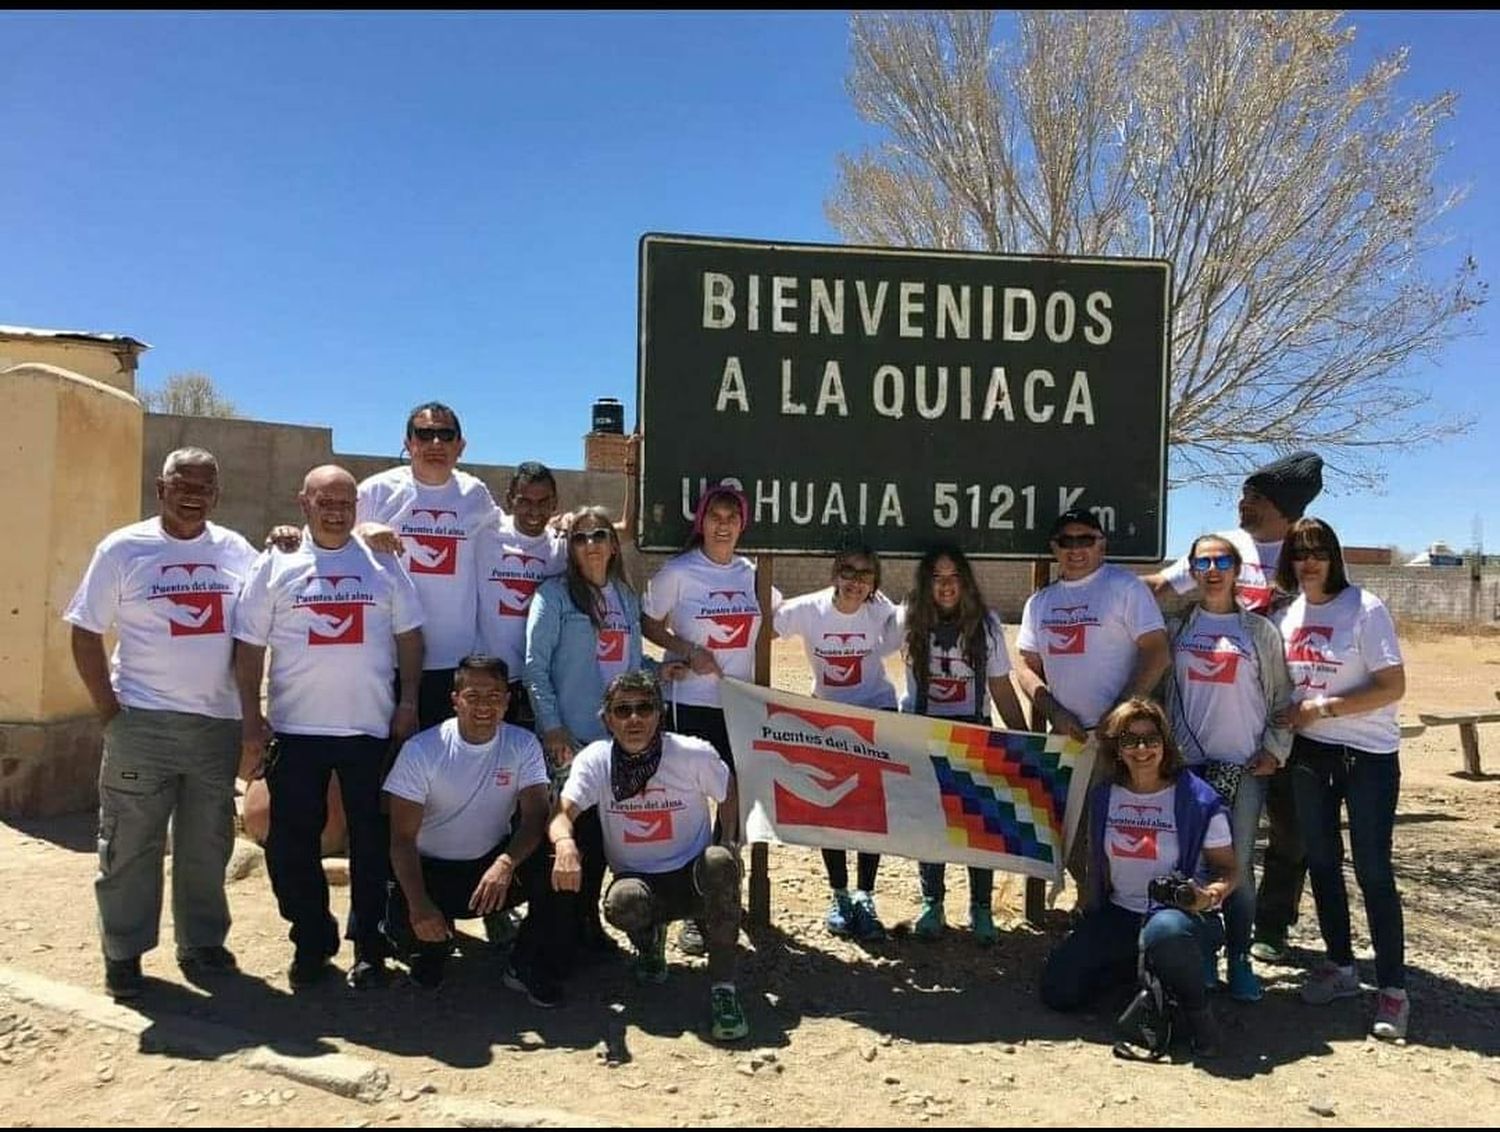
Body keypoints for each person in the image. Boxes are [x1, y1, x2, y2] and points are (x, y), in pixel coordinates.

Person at [64, 447, 259, 998]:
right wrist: (109, 712)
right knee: (130, 844)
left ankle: (201, 943)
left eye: (204, 485)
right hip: (141, 723)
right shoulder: (124, 548)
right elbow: (85, 631)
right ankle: (123, 953)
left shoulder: (235, 551)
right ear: (161, 487)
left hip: (214, 727)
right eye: (182, 483)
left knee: (208, 843)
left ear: (217, 494)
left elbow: (254, 629)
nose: (193, 493)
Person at [233, 465, 425, 990]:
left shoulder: (382, 564)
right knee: (291, 846)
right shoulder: (277, 562)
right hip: (296, 733)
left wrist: (408, 701)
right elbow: (249, 645)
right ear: (304, 502)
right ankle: (311, 940)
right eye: (326, 500)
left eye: (345, 500)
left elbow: (410, 638)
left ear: (357, 505)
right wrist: (252, 715)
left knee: (372, 844)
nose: (336, 509)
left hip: (370, 731)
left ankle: (370, 947)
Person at [1146, 451, 1325, 963]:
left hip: (1290, 708)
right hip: (1221, 712)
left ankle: (1271, 924)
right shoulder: (1227, 547)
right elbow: (1163, 586)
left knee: (1290, 829)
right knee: (1214, 830)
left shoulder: (1305, 549)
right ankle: (1201, 929)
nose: (1242, 503)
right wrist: (1109, 591)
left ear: (1282, 507)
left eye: (1255, 497)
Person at [549, 671, 749, 1043]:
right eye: (622, 710)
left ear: (660, 712)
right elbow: (563, 812)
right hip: (638, 878)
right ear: (607, 719)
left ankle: (724, 988)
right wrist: (564, 845)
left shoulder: (692, 753)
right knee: (622, 903)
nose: (634, 719)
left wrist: (728, 840)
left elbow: (729, 789)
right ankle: (649, 943)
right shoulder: (597, 760)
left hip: (692, 874)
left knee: (721, 864)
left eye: (645, 708)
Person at [1274, 517, 1410, 1040]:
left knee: (1373, 868)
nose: (1309, 562)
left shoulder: (1365, 609)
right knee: (1323, 862)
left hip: (1367, 756)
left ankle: (1394, 990)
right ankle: (1341, 966)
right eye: (1300, 552)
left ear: (1334, 557)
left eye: (1319, 552)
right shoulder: (1290, 614)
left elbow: (1392, 685)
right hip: (1312, 754)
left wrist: (1325, 708)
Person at [1039, 698, 1236, 1059]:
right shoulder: (1104, 797)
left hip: (1181, 919)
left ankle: (1197, 1014)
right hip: (1120, 913)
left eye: (1151, 738)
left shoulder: (1197, 799)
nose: (1141, 749)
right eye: (1129, 740)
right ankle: (1144, 985)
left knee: (1165, 931)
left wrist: (1206, 896)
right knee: (1058, 990)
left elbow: (1230, 870)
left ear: (1165, 742)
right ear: (1116, 747)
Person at [381, 656, 572, 1002]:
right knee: (405, 924)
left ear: (507, 700)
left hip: (490, 866)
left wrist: (505, 863)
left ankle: (525, 963)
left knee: (557, 863)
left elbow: (534, 818)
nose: (485, 705)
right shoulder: (422, 750)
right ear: (455, 700)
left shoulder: (522, 743)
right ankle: (431, 951)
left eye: (495, 695)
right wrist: (419, 904)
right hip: (431, 871)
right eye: (473, 696)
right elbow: (402, 839)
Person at [1161, 535, 1293, 1002]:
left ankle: (1239, 957)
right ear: (1192, 570)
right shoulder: (1176, 629)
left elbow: (1282, 700)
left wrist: (1275, 750)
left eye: (1222, 562)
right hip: (1189, 769)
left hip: (1245, 769)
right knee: (1190, 864)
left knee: (1237, 870)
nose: (1212, 570)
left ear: (1237, 571)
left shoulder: (1259, 633)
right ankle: (1202, 956)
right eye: (1203, 562)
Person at [640, 482, 768, 955]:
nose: (723, 525)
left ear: (742, 524)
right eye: (715, 516)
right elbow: (647, 620)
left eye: (732, 518)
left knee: (732, 798)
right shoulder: (679, 571)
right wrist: (686, 649)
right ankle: (686, 905)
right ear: (701, 521)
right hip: (690, 701)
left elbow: (774, 618)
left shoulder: (751, 572)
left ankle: (720, 891)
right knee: (689, 801)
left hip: (738, 704)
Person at [1014, 509, 1171, 889]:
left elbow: (1157, 652)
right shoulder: (1040, 603)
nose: (1075, 548)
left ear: (1102, 543)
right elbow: (1023, 664)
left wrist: (1121, 714)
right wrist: (1052, 709)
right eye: (1066, 541)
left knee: (1125, 831)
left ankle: (1122, 909)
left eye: (1085, 539)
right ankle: (1094, 903)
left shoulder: (1125, 588)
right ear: (1054, 548)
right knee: (1068, 832)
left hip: (1123, 740)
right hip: (1070, 738)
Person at [524, 504, 648, 957]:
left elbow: (632, 664)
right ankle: (558, 937)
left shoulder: (625, 597)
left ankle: (588, 924)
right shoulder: (553, 595)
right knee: (565, 836)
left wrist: (668, 668)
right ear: (570, 547)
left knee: (601, 840)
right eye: (580, 537)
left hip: (615, 742)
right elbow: (535, 667)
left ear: (613, 544)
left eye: (599, 535)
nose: (591, 544)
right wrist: (552, 727)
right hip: (570, 739)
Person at [895, 545, 1030, 944]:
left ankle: (981, 907)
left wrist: (1022, 739)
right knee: (931, 823)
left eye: (954, 576)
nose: (946, 585)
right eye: (937, 577)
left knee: (979, 825)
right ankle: (932, 902)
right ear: (926, 583)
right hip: (926, 731)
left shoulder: (985, 626)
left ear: (966, 581)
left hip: (974, 730)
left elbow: (1002, 687)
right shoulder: (908, 619)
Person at [772, 544, 901, 940]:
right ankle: (839, 894)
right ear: (833, 574)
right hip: (827, 718)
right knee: (831, 806)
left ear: (875, 583)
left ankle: (865, 894)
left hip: (874, 712)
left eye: (865, 575)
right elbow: (765, 625)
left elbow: (906, 634)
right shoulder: (808, 610)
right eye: (848, 571)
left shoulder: (882, 611)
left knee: (868, 809)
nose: (855, 582)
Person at [354, 403, 501, 729]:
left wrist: (563, 523)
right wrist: (363, 530)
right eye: (425, 434)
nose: (436, 443)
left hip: (453, 663)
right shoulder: (377, 490)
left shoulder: (474, 494)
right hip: (383, 659)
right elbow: (328, 537)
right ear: (408, 444)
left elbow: (512, 536)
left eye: (445, 435)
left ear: (460, 446)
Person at [476, 462, 568, 729]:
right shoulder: (485, 534)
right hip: (491, 677)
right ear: (509, 500)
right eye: (525, 501)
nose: (534, 510)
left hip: (539, 679)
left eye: (543, 502)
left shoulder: (562, 544)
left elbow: (618, 533)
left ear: (555, 503)